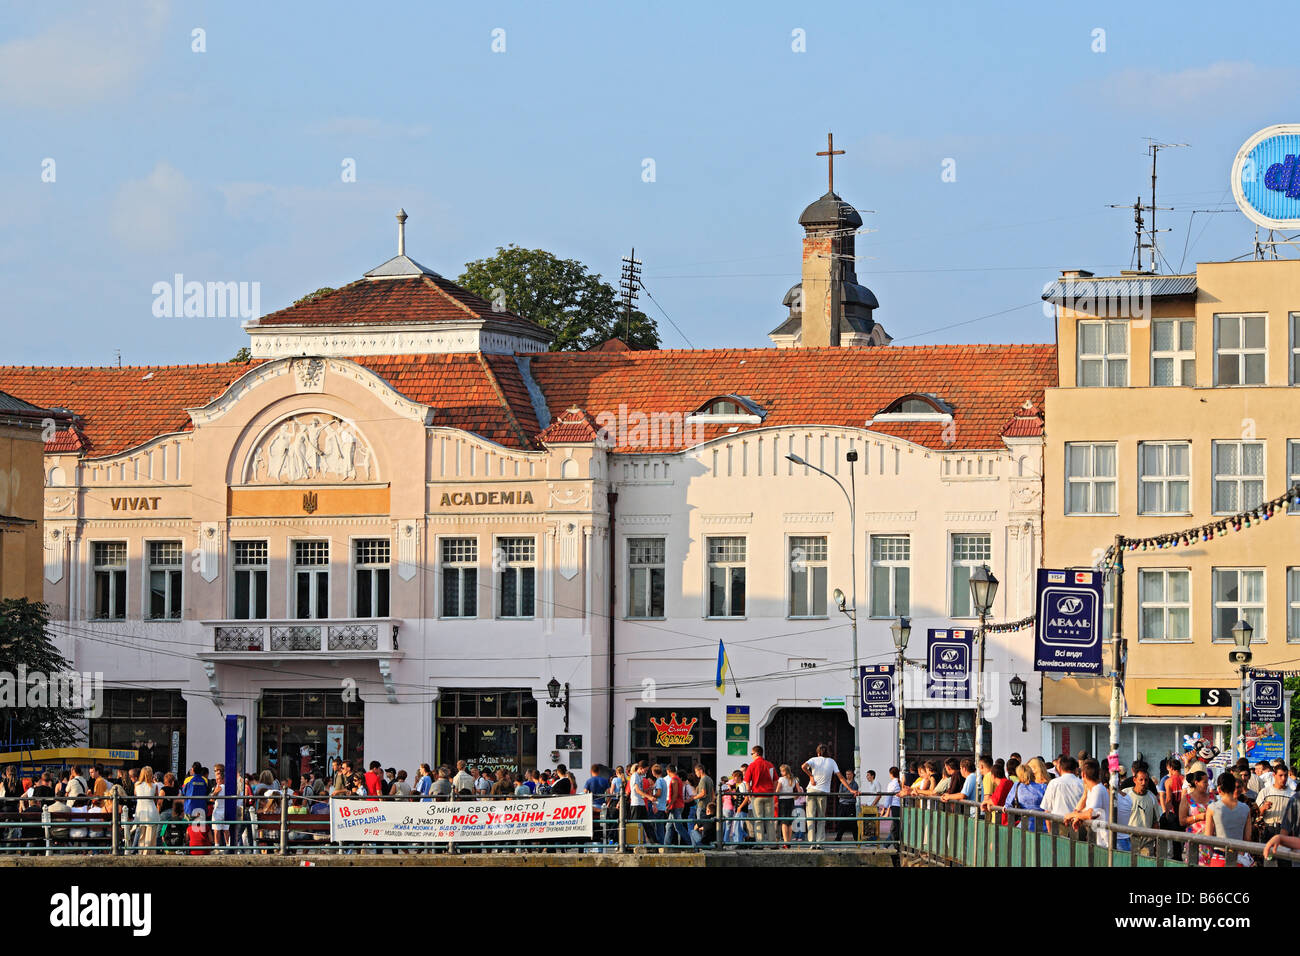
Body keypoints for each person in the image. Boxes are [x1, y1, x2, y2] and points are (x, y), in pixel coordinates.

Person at [1205, 771, 1254, 866]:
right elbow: (1247, 838)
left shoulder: (1212, 808)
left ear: (1219, 789)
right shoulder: (1245, 808)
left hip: (1219, 857)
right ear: (1233, 787)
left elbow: (1207, 837)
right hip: (1239, 857)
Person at [744, 745, 777, 846]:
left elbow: (747, 782)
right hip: (769, 795)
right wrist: (773, 791)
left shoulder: (752, 765)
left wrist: (749, 794)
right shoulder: (769, 765)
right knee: (770, 820)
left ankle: (760, 843)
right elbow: (775, 780)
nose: (752, 756)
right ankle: (772, 843)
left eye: (752, 754)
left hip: (757, 796)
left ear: (757, 753)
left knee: (758, 820)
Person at [1040, 755, 1084, 832]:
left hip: (1058, 825)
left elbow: (1047, 810)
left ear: (1059, 768)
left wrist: (1050, 831)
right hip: (1078, 826)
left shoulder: (1054, 783)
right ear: (1076, 769)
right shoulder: (1082, 784)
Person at [1122, 767, 1160, 856]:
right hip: (1128, 841)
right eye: (1141, 780)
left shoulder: (1152, 798)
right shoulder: (1125, 794)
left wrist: (1154, 843)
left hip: (1146, 843)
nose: (1143, 783)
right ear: (1134, 780)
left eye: (1146, 780)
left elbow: (1156, 822)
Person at [1179, 770, 1213, 866]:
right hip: (1194, 841)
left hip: (1211, 841)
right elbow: (1182, 821)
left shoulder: (1212, 797)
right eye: (1205, 782)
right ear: (1196, 783)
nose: (1207, 784)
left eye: (1208, 781)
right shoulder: (1187, 798)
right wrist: (1198, 817)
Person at [775, 764, 800, 846]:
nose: (781, 772)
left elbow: (777, 791)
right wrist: (795, 797)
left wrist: (776, 796)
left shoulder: (781, 779)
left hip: (783, 801)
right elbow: (799, 791)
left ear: (785, 771)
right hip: (791, 801)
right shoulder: (794, 779)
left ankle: (785, 842)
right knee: (789, 822)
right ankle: (788, 841)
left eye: (782, 771)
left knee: (784, 822)